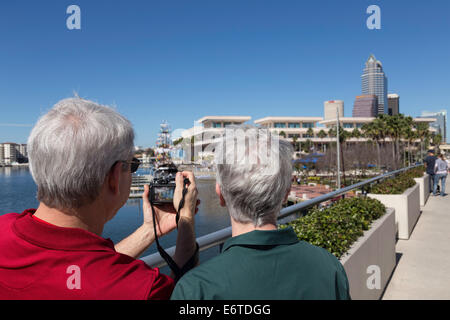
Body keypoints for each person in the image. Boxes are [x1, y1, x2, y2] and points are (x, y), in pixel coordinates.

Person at [0, 97, 199, 299]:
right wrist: (186, 220)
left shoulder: (3, 229)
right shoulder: (141, 289)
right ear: (114, 178)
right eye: (132, 166)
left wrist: (150, 230)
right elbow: (186, 298)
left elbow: (79, 269)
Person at [171, 125, 351, 300]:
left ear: (221, 194)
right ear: (285, 193)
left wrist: (184, 217)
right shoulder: (329, 267)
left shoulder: (196, 288)